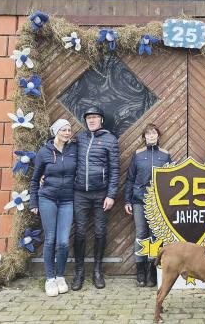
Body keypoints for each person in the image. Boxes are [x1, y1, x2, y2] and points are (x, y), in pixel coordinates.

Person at [72, 106, 120, 290]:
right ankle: (79, 273)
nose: (91, 120)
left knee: (100, 232)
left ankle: (97, 271)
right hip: (80, 194)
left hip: (101, 194)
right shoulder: (79, 138)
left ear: (101, 120)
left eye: (94, 117)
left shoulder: (110, 140)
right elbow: (58, 146)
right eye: (88, 118)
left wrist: (111, 194)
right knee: (80, 232)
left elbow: (115, 169)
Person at [29, 119, 77, 297]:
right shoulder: (44, 152)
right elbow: (35, 180)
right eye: (63, 130)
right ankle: (49, 279)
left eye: (69, 130)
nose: (67, 132)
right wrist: (33, 202)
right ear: (56, 132)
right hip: (47, 199)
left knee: (63, 241)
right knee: (50, 240)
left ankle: (60, 276)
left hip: (67, 200)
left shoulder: (74, 150)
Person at [124, 123, 172, 287]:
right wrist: (127, 200)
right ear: (144, 137)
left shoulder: (165, 155)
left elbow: (171, 179)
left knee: (156, 236)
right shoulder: (137, 155)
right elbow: (130, 178)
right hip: (139, 201)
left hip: (158, 203)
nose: (151, 136)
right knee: (141, 234)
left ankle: (153, 271)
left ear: (158, 136)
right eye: (148, 134)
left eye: (154, 133)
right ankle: (140, 271)